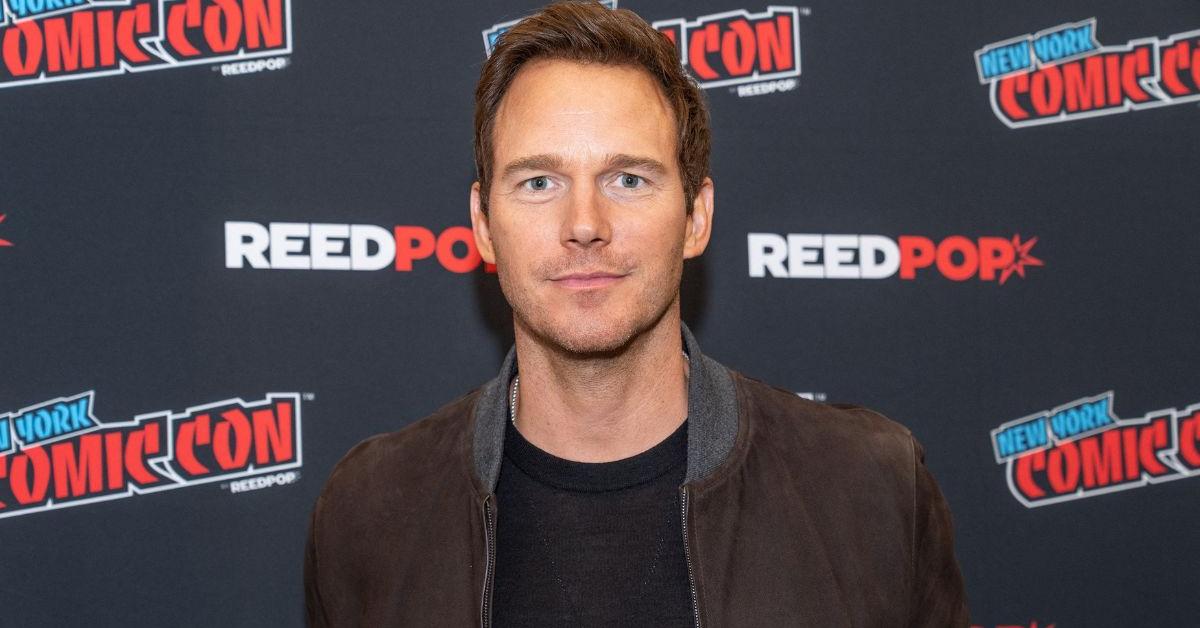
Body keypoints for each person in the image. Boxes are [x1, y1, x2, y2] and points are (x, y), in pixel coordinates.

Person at [304, 2, 969, 626]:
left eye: (628, 179)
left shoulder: (871, 490)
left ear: (696, 216)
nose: (584, 224)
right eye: (539, 182)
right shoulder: (370, 512)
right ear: (482, 224)